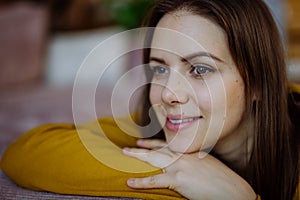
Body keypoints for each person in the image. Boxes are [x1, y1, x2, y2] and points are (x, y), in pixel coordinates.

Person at [1, 0, 299, 199]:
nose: (168, 94)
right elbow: (26, 151)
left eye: (199, 69)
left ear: (258, 81)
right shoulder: (153, 126)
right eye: (159, 68)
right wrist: (180, 176)